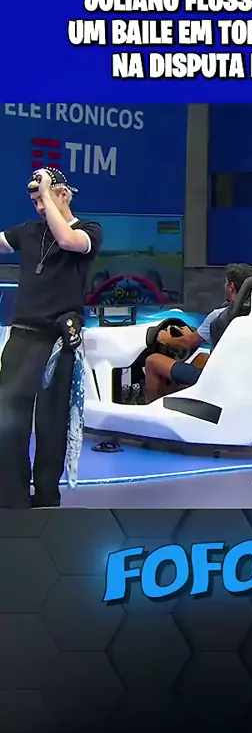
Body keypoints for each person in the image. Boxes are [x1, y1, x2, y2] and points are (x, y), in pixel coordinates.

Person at [0, 167, 102, 508]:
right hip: (22, 338)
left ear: (63, 195)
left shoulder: (88, 230)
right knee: (8, 421)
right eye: (35, 201)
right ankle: (11, 496)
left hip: (57, 343)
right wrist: (43, 192)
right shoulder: (28, 231)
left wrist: (46, 189)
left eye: (44, 198)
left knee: (51, 424)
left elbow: (67, 241)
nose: (40, 207)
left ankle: (46, 496)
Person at [144, 263, 252, 401]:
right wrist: (194, 334)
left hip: (218, 378)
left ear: (231, 286)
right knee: (201, 358)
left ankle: (151, 407)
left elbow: (188, 343)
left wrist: (167, 339)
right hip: (241, 375)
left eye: (226, 283)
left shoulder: (219, 316)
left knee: (152, 361)